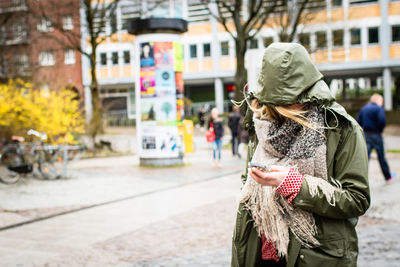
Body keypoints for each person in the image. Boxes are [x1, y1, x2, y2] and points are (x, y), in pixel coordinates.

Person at [231, 43, 370, 267]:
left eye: (285, 103)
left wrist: (296, 186)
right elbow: (247, 190)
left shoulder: (340, 129)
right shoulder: (261, 123)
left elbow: (357, 199)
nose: (277, 111)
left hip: (315, 256)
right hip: (262, 254)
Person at [357, 94, 394, 182]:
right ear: (377, 100)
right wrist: (379, 130)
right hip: (376, 135)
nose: (382, 103)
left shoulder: (364, 108)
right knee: (381, 157)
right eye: (381, 100)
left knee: (366, 157)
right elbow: (382, 121)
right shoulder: (379, 109)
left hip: (366, 135)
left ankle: (362, 178)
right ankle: (388, 177)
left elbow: (358, 121)